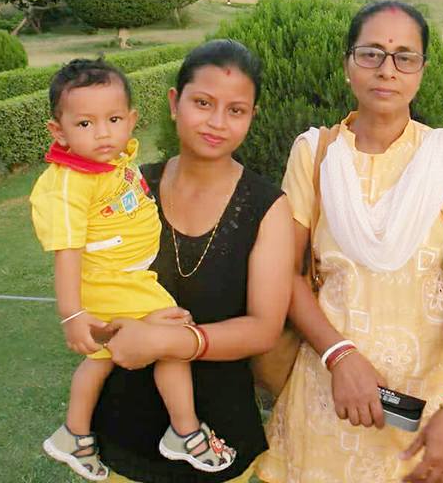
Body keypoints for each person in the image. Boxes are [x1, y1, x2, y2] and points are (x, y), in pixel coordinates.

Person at [255, 0, 443, 483]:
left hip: (429, 409)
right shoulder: (314, 154)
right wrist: (340, 357)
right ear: (348, 65)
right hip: (329, 394)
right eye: (371, 54)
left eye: (404, 56)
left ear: (421, 71)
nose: (387, 69)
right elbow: (288, 274)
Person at [88, 40, 294, 482]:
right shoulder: (128, 189)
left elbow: (263, 327)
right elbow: (92, 286)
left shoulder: (267, 207)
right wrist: (101, 324)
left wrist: (167, 342)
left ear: (251, 117)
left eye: (236, 110)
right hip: (124, 430)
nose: (217, 122)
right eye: (203, 103)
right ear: (174, 103)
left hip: (220, 438)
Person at [31, 58, 239, 480]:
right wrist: (72, 314)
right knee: (173, 336)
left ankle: (74, 433)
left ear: (131, 120)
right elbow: (67, 251)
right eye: (85, 124)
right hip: (113, 281)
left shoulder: (113, 160)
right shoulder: (71, 183)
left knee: (100, 359)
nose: (103, 133)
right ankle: (183, 430)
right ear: (59, 131)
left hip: (127, 276)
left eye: (112, 119)